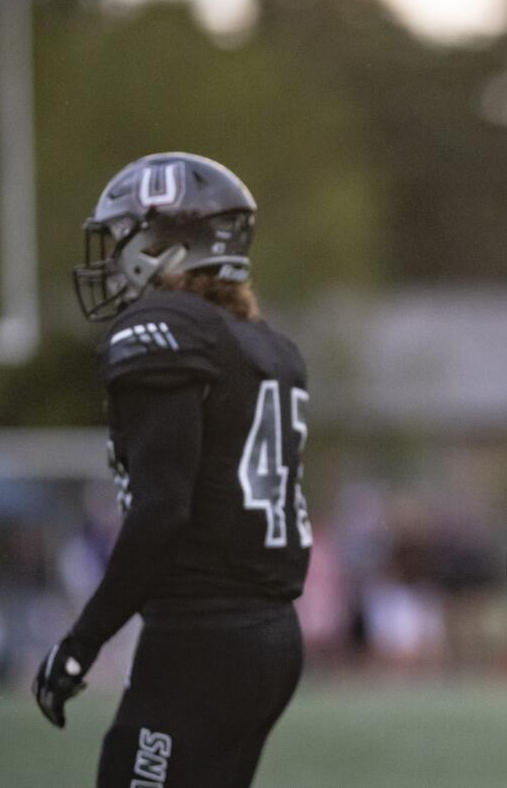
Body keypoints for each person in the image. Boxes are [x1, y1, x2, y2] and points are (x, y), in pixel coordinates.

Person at [33, 152, 313, 788]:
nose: (112, 257)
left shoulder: (163, 326)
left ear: (168, 242)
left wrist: (82, 642)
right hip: (271, 633)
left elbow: (162, 510)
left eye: (125, 236)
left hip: (202, 636)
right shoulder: (270, 344)